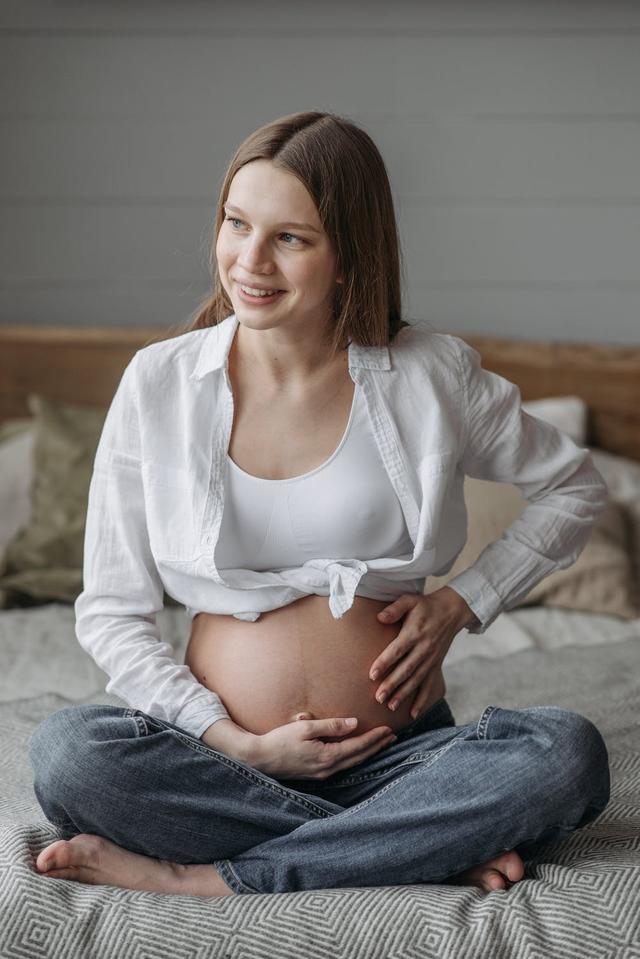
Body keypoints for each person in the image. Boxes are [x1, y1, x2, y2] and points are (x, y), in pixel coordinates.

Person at [28, 111, 611, 899]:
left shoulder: (432, 376)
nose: (249, 260)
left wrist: (464, 602)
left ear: (348, 254)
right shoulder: (158, 384)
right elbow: (110, 612)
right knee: (69, 753)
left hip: (400, 760)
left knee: (565, 753)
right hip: (221, 763)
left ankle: (208, 875)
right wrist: (238, 743)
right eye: (237, 224)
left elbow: (573, 486)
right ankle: (417, 844)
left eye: (290, 238)